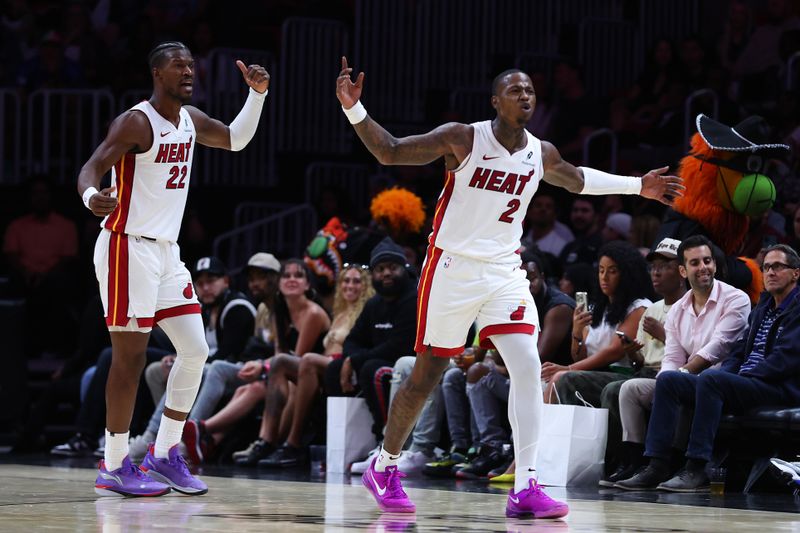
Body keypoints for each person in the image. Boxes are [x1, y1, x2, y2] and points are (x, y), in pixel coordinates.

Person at [336, 57, 683, 517]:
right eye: (516, 90)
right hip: (452, 268)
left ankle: (526, 485)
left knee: (526, 366)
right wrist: (355, 110)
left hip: (504, 270)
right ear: (495, 101)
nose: (526, 96)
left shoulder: (540, 152)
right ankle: (386, 464)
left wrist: (639, 185)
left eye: (531, 92)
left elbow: (578, 179)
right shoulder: (464, 137)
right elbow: (392, 151)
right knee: (426, 375)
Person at [77, 41, 269, 497]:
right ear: (157, 73)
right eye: (177, 65)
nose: (188, 71)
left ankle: (163, 454)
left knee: (196, 351)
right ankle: (115, 461)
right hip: (127, 247)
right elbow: (91, 166)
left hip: (166, 252)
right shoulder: (136, 121)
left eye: (191, 65)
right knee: (129, 359)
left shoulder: (190, 119)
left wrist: (257, 95)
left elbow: (236, 139)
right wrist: (91, 197)